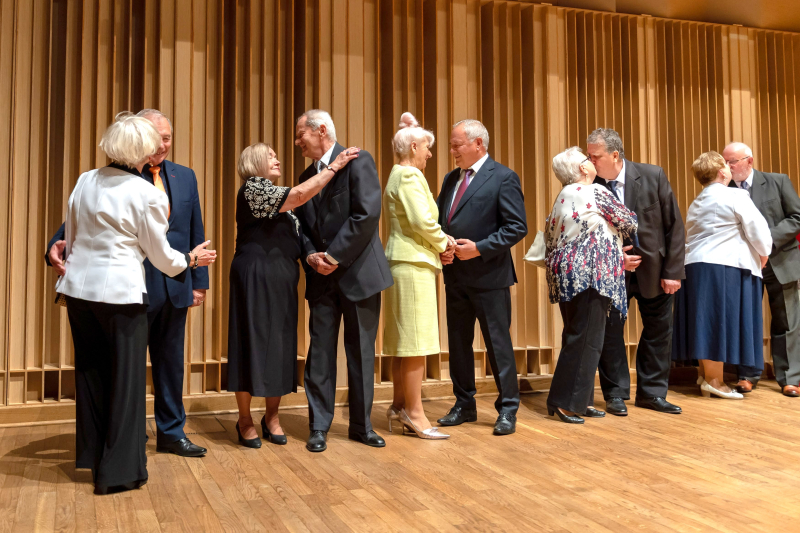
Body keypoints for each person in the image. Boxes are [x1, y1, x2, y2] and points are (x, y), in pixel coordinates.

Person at [55, 112, 216, 494]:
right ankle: (119, 473)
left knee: (92, 376)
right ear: (141, 149)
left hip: (79, 292)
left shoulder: (85, 179)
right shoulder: (146, 193)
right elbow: (162, 257)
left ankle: (94, 458)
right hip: (120, 294)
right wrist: (192, 260)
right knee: (127, 383)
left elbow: (72, 237)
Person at [227, 142, 360, 448]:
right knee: (249, 344)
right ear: (254, 163)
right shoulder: (253, 188)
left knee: (280, 345)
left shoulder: (279, 197)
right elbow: (300, 195)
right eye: (270, 156)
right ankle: (244, 419)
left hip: (283, 280)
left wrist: (311, 256)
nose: (277, 160)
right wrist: (334, 166)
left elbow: (299, 238)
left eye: (276, 156)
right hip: (255, 276)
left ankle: (272, 417)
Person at [293, 109, 393, 453]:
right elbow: (301, 227)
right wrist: (311, 255)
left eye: (300, 135)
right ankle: (318, 426)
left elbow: (367, 215)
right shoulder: (306, 176)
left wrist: (333, 257)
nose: (297, 142)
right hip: (321, 279)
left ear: (321, 130)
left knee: (361, 353)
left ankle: (362, 427)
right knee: (319, 354)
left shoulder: (359, 161)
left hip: (359, 275)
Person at [434, 119, 528, 436]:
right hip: (455, 276)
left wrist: (479, 248)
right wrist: (442, 247)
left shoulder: (503, 177)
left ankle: (508, 409)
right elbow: (441, 222)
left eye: (456, 145)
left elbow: (517, 227)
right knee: (458, 344)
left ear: (478, 144)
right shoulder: (450, 179)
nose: (452, 151)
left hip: (490, 277)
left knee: (497, 345)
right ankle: (464, 404)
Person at [587, 128, 685, 416]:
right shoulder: (589, 185)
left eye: (595, 156)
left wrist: (673, 271)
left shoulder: (653, 175)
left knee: (659, 332)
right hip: (611, 273)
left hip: (654, 270)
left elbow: (674, 226)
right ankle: (615, 394)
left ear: (615, 155)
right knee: (610, 333)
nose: (590, 162)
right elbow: (585, 234)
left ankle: (652, 393)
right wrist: (615, 258)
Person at [544, 147, 638, 423]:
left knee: (577, 336)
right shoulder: (595, 191)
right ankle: (565, 403)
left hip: (566, 275)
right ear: (584, 169)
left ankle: (579, 400)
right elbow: (629, 221)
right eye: (588, 160)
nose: (591, 162)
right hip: (590, 274)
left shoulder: (563, 194)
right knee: (586, 340)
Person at [672, 151, 771, 399]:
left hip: (694, 266)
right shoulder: (735, 195)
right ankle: (715, 381)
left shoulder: (697, 202)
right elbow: (758, 230)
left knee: (704, 321)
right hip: (723, 265)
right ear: (721, 172)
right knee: (718, 321)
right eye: (726, 165)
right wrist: (764, 252)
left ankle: (705, 375)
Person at [383, 113, 454, 440]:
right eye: (426, 147)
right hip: (412, 263)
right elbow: (421, 222)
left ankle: (399, 405)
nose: (430, 153)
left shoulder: (397, 173)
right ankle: (414, 414)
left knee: (405, 343)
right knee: (416, 343)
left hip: (405, 261)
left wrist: (440, 242)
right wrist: (445, 243)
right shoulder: (410, 175)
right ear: (413, 147)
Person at [722, 142, 800, 397]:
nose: (729, 167)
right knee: (747, 320)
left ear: (749, 161)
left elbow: (796, 217)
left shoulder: (778, 181)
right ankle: (747, 375)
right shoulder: (723, 190)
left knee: (787, 322)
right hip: (745, 264)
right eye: (725, 162)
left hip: (781, 261)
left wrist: (766, 241)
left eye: (733, 162)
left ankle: (790, 378)